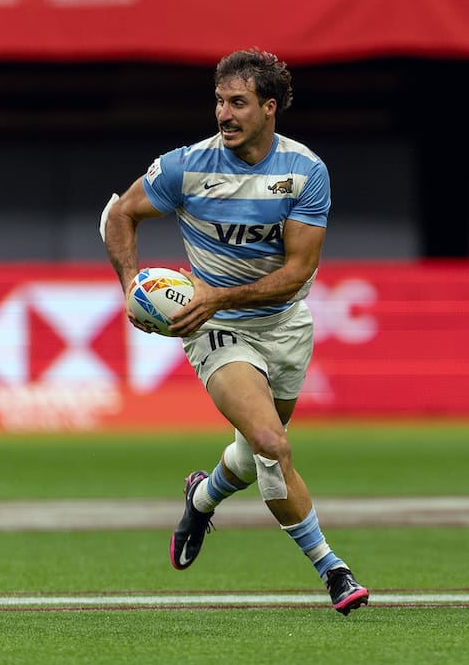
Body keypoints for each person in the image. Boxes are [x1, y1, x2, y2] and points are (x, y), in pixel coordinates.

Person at [101, 48, 369, 615]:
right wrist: (130, 282)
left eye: (238, 103)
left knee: (254, 453)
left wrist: (219, 293)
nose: (224, 113)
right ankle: (334, 572)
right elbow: (120, 213)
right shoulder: (185, 166)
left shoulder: (305, 171)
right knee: (273, 444)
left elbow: (297, 272)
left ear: (269, 108)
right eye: (220, 101)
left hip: (285, 324)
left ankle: (201, 498)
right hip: (215, 328)